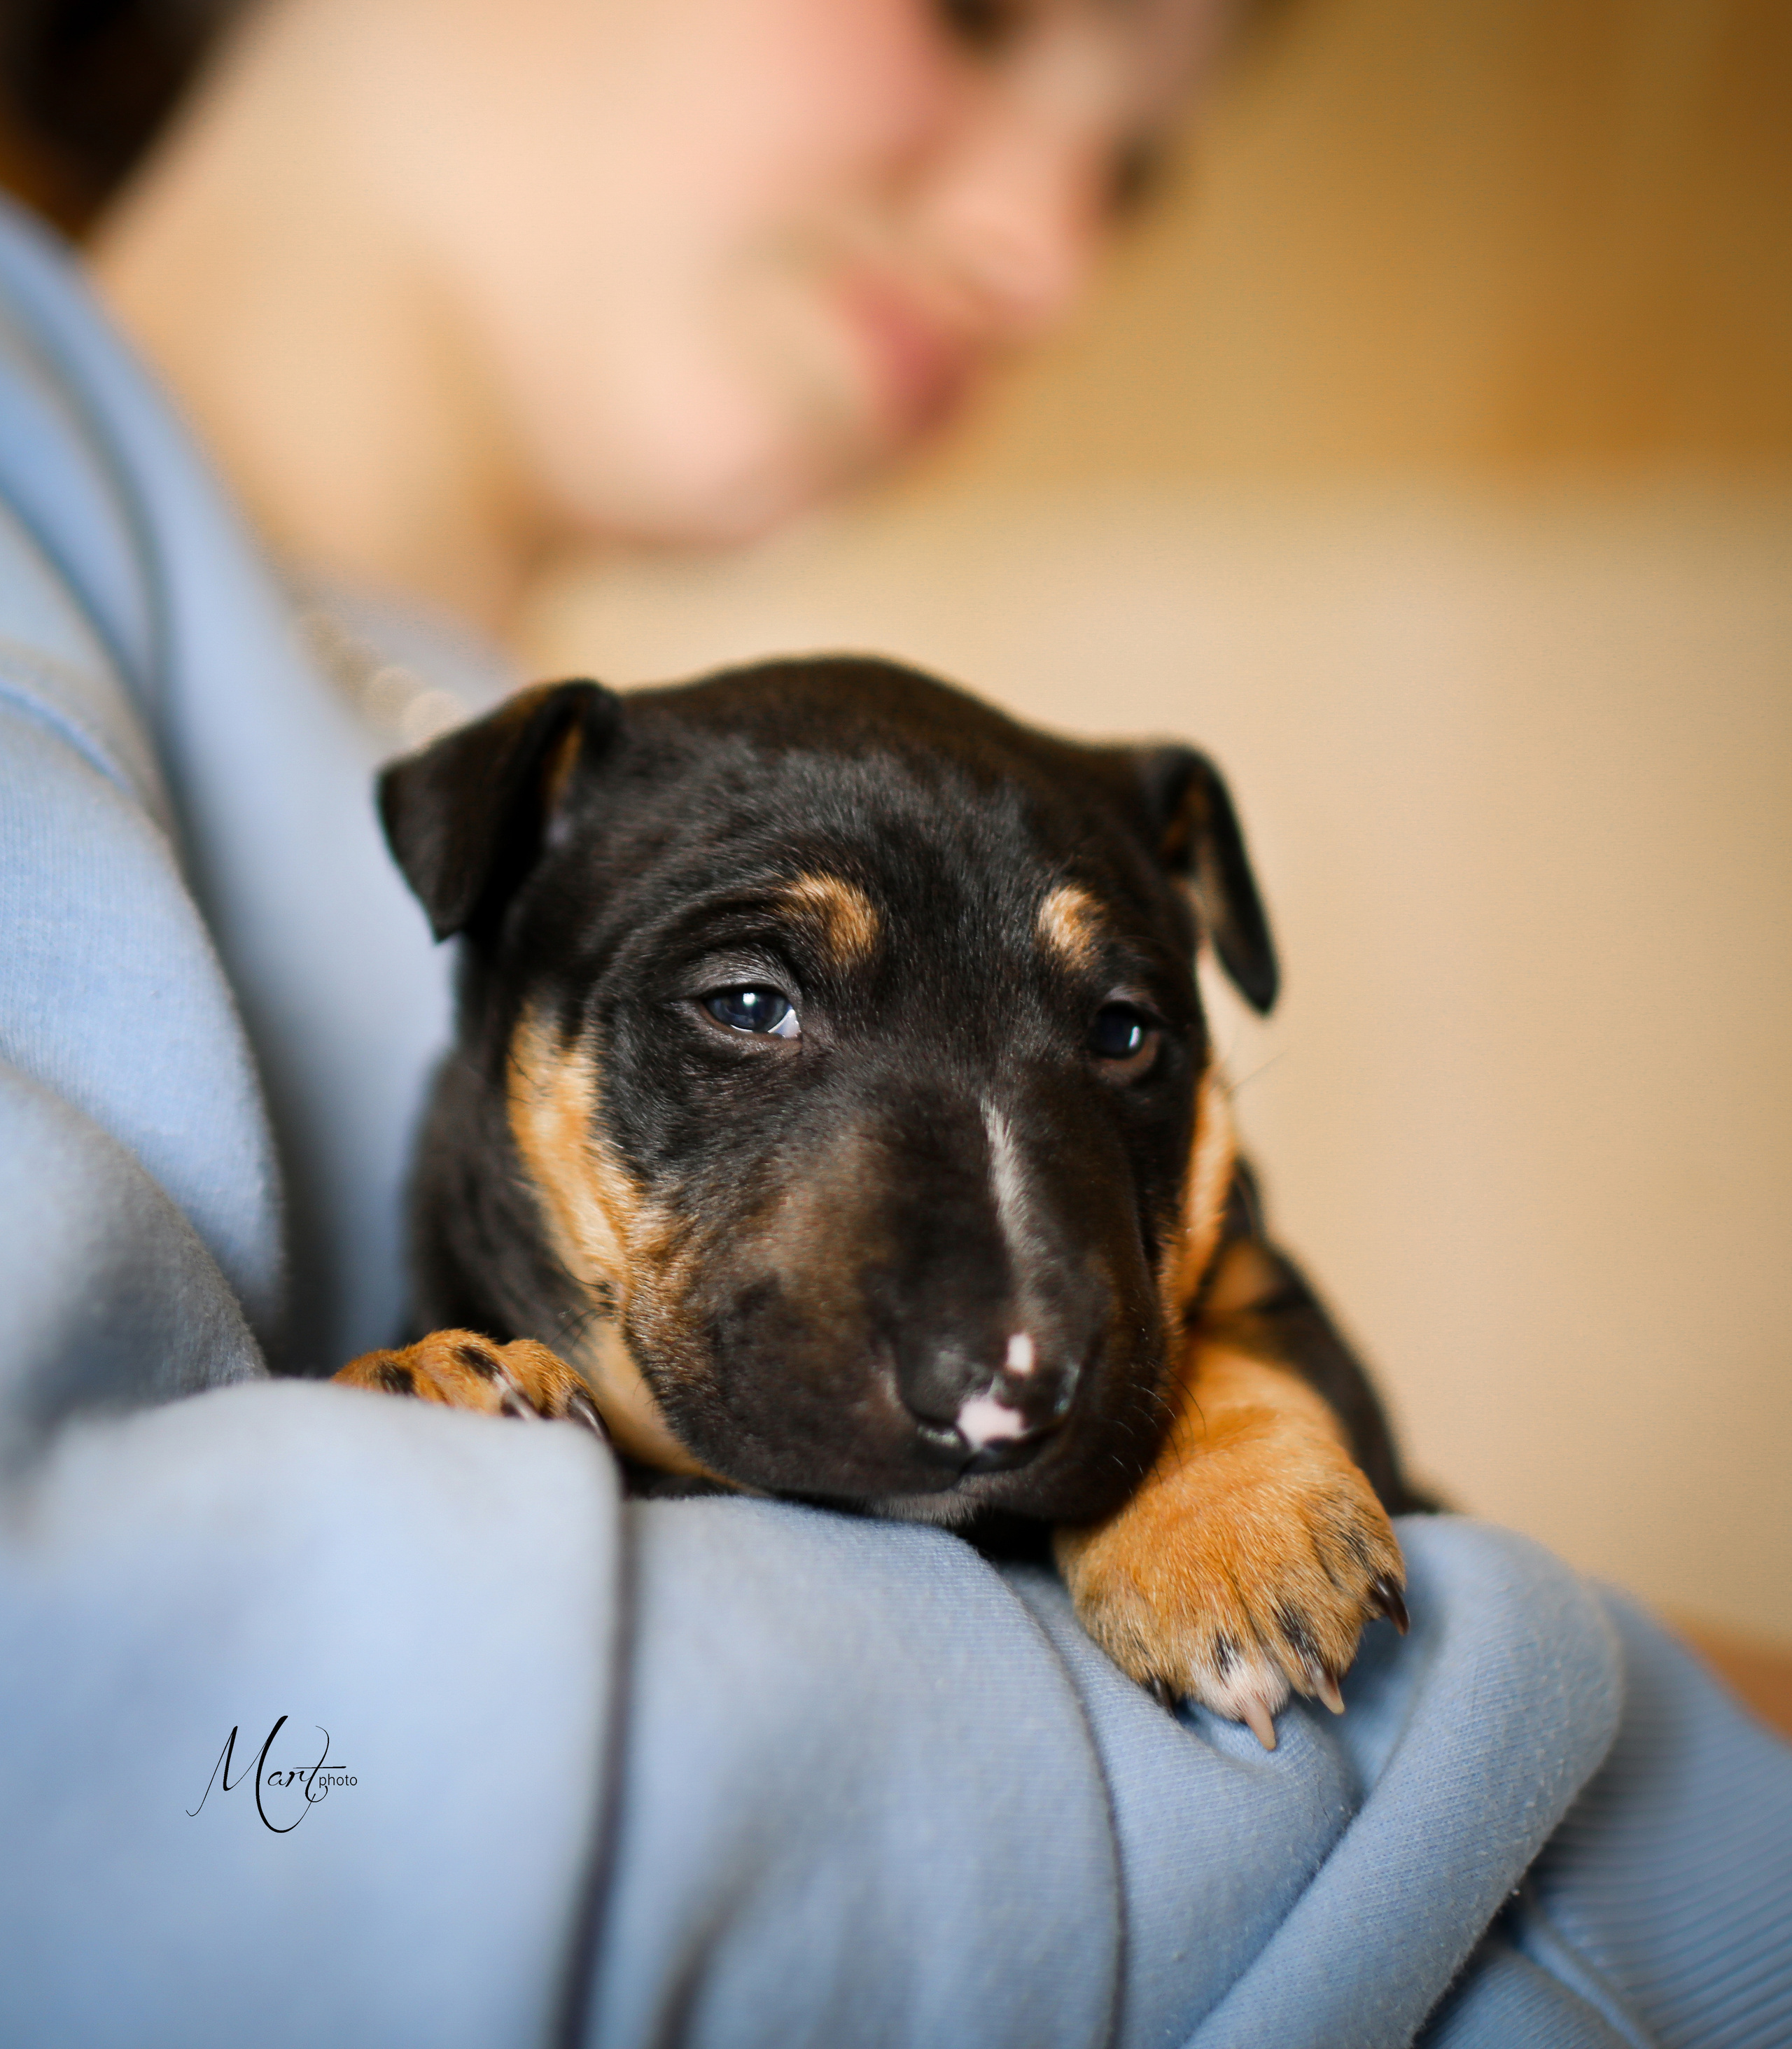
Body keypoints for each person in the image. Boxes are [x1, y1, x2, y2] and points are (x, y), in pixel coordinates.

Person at [0, 5, 1788, 2045]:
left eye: (1132, 174)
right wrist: (1653, 1785)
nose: (1052, 249)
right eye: (978, 14)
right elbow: (129, 1786)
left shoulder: (599, 768)